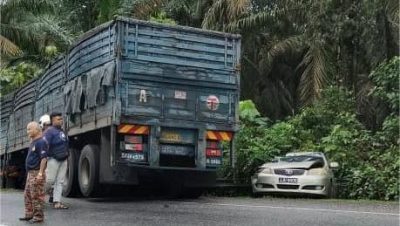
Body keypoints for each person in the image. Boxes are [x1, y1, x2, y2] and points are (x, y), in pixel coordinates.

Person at [19, 121, 47, 224]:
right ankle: (29, 214)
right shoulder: (34, 142)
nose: (28, 132)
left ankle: (38, 217)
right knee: (27, 195)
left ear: (37, 129)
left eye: (29, 129)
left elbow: (44, 159)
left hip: (36, 172)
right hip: (30, 173)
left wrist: (40, 173)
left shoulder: (41, 142)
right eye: (27, 129)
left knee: (37, 196)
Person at [43, 112, 69, 209]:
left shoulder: (62, 131)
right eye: (58, 119)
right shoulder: (49, 132)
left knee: (60, 182)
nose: (61, 121)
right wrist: (44, 159)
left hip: (63, 159)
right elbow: (45, 145)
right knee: (50, 180)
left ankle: (57, 202)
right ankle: (38, 197)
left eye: (61, 119)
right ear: (53, 121)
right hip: (53, 159)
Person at [39, 114, 54, 203]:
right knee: (45, 178)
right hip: (44, 158)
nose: (48, 127)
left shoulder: (51, 133)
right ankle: (43, 196)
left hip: (50, 157)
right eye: (47, 125)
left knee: (49, 178)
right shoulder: (40, 134)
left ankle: (49, 195)